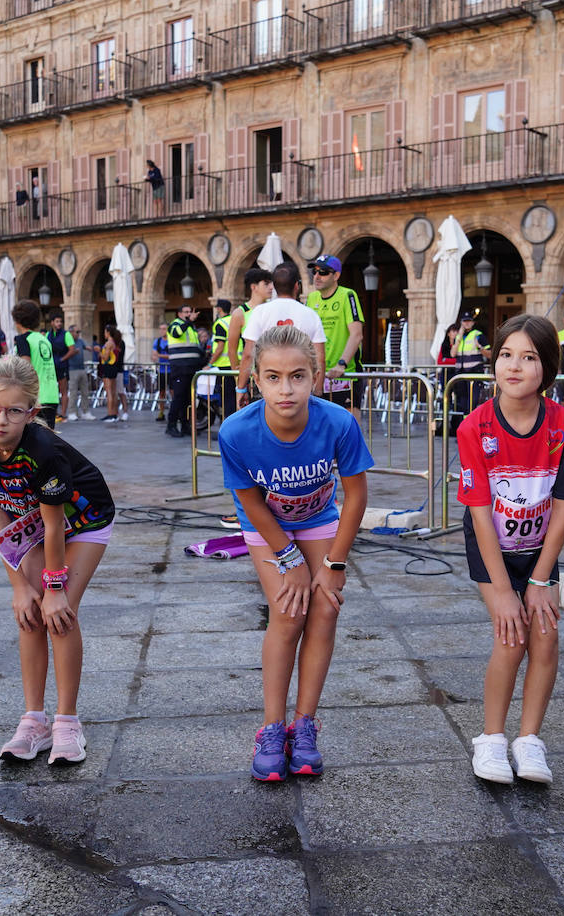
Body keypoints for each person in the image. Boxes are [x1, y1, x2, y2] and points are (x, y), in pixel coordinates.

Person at [217, 324, 374, 781]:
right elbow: (247, 500)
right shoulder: (236, 431)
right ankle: (271, 727)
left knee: (325, 608)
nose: (286, 389)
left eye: (298, 376)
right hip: (267, 525)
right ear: (255, 378)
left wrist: (333, 564)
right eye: (273, 377)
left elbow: (356, 497)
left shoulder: (339, 423)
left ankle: (304, 725)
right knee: (288, 612)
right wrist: (290, 562)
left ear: (316, 376)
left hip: (319, 518)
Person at [0, 356, 116, 766]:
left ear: (31, 413)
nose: (0, 420)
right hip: (28, 524)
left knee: (59, 613)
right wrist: (19, 587)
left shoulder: (44, 451)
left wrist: (55, 589)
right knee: (28, 610)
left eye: (13, 410)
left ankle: (67, 721)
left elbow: (55, 524)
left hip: (82, 521)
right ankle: (34, 720)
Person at [458, 314, 564, 785]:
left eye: (529, 357)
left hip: (540, 549)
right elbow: (478, 515)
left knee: (547, 638)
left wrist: (539, 580)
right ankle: (490, 740)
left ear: (547, 369)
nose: (514, 366)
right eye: (506, 355)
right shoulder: (475, 427)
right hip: (491, 545)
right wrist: (505, 590)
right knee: (510, 635)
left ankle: (528, 741)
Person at [237, 262, 328, 411]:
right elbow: (320, 357)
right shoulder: (310, 314)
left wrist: (241, 389)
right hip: (299, 385)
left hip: (268, 384)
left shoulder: (260, 312)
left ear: (274, 286)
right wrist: (317, 391)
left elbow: (248, 354)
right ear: (297, 286)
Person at [305, 255, 364, 417]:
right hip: (317, 375)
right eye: (315, 272)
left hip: (345, 375)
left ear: (336, 275)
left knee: (348, 426)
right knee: (318, 425)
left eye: (323, 272)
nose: (317, 276)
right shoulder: (311, 298)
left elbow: (356, 334)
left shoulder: (347, 295)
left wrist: (341, 364)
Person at [226, 267, 274, 409]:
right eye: (266, 284)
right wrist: (239, 379)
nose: (271, 287)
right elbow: (232, 349)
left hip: (273, 372)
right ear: (254, 287)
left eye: (271, 283)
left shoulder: (272, 309)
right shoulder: (240, 313)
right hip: (253, 377)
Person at [12, 299, 60, 426]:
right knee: (47, 438)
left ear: (17, 321)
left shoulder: (23, 339)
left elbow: (25, 368)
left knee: (33, 442)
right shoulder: (43, 339)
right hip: (51, 394)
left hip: (35, 397)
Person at [163, 302, 202, 438]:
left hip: (191, 368)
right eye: (185, 312)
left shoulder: (191, 328)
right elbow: (176, 333)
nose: (188, 314)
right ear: (179, 314)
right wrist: (189, 321)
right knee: (178, 398)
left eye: (189, 312)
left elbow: (194, 347)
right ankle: (171, 425)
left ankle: (185, 425)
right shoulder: (174, 324)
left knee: (188, 399)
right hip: (180, 368)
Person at [451, 311, 491, 423]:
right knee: (462, 402)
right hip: (460, 374)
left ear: (473, 323)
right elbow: (453, 354)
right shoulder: (458, 337)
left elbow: (490, 354)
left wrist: (479, 348)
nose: (467, 323)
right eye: (465, 321)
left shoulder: (478, 335)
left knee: (472, 401)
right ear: (461, 322)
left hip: (474, 372)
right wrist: (458, 338)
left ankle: (471, 425)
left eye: (469, 321)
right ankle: (464, 425)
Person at [46, 312, 75, 421]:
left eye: (60, 322)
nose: (59, 324)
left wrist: (62, 359)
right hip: (51, 367)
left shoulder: (66, 334)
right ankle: (55, 413)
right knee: (53, 390)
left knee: (63, 390)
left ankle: (63, 414)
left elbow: (72, 349)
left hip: (62, 366)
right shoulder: (49, 334)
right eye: (57, 321)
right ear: (52, 323)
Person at [66, 323, 95, 419]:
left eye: (79, 332)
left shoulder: (80, 341)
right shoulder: (67, 341)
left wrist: (91, 348)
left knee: (85, 392)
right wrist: (72, 352)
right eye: (77, 332)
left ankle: (85, 412)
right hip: (72, 369)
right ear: (71, 332)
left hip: (82, 368)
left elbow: (87, 347)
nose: (78, 334)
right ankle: (72, 413)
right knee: (73, 392)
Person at [152, 322, 170, 420]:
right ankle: (161, 412)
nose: (162, 331)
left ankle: (174, 412)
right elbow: (153, 355)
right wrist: (156, 356)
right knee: (161, 392)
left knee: (173, 392)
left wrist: (159, 355)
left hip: (171, 370)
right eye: (161, 329)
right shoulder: (157, 341)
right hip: (161, 371)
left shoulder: (172, 341)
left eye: (164, 328)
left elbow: (171, 356)